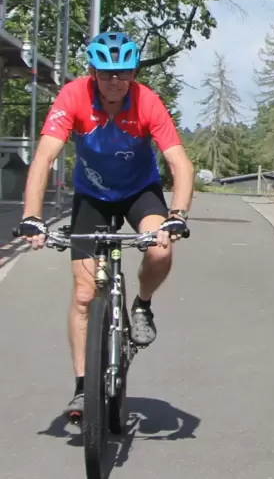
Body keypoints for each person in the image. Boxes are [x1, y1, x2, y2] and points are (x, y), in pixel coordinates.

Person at [15, 31, 194, 421]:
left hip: (139, 192)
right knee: (83, 294)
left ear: (132, 73)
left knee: (161, 246)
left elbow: (180, 163)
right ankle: (82, 388)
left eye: (124, 72)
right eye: (107, 72)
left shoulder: (147, 101)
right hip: (92, 196)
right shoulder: (74, 96)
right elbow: (45, 157)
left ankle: (143, 305)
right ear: (93, 72)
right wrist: (32, 216)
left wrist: (177, 215)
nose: (115, 81)